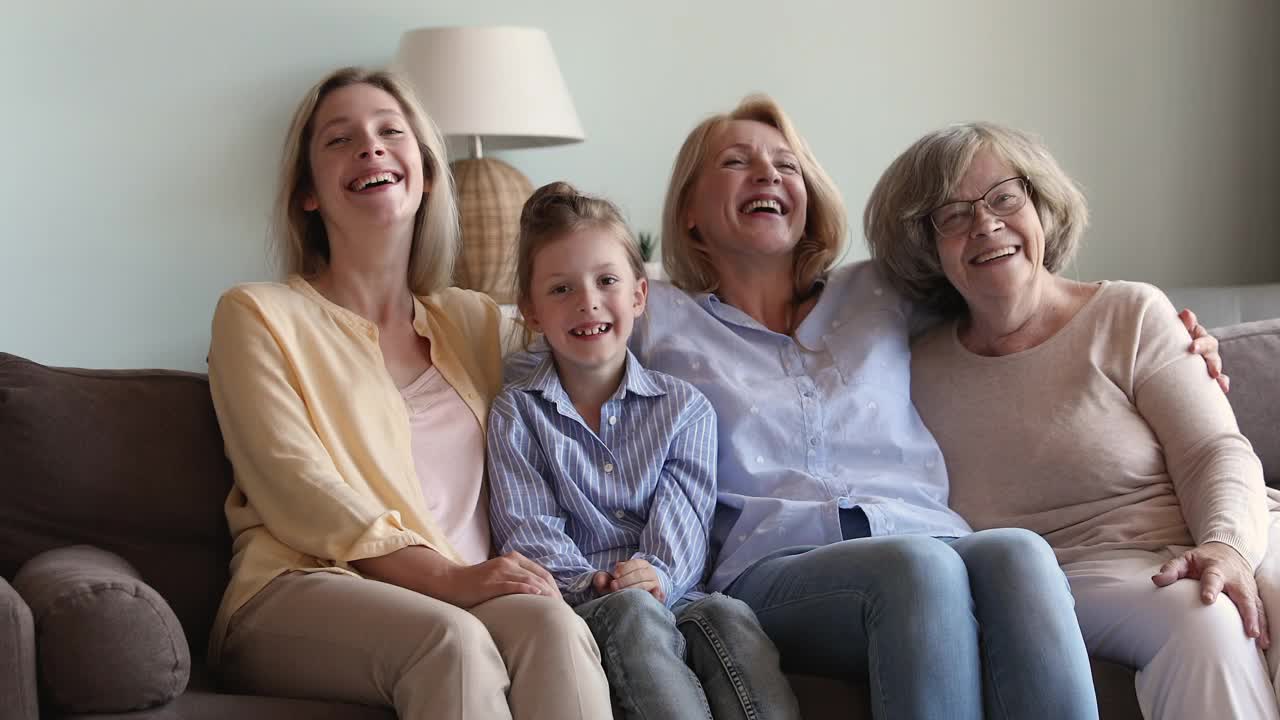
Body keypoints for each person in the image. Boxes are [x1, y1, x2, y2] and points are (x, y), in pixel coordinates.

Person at [204, 67, 611, 720]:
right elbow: (295, 485)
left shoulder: (475, 322)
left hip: (463, 594)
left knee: (555, 628)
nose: (370, 147)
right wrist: (448, 579)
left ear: (423, 171)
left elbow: (594, 352)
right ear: (308, 191)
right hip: (299, 589)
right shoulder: (259, 314)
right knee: (450, 643)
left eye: (390, 131)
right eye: (340, 140)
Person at [865, 120, 1280, 720]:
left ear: (1041, 206)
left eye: (1005, 197)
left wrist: (1226, 545)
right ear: (925, 245)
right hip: (1071, 576)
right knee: (1203, 617)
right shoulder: (907, 369)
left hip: (1231, 528)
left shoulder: (1129, 312)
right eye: (952, 215)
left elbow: (1214, 448)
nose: (986, 223)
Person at [488, 182, 800, 720]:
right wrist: (593, 582)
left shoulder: (684, 409)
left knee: (729, 616)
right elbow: (527, 526)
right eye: (560, 289)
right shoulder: (518, 413)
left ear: (637, 294)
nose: (587, 301)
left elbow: (685, 519)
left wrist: (654, 572)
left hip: (675, 594)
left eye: (606, 281)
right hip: (581, 605)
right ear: (532, 312)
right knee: (633, 614)